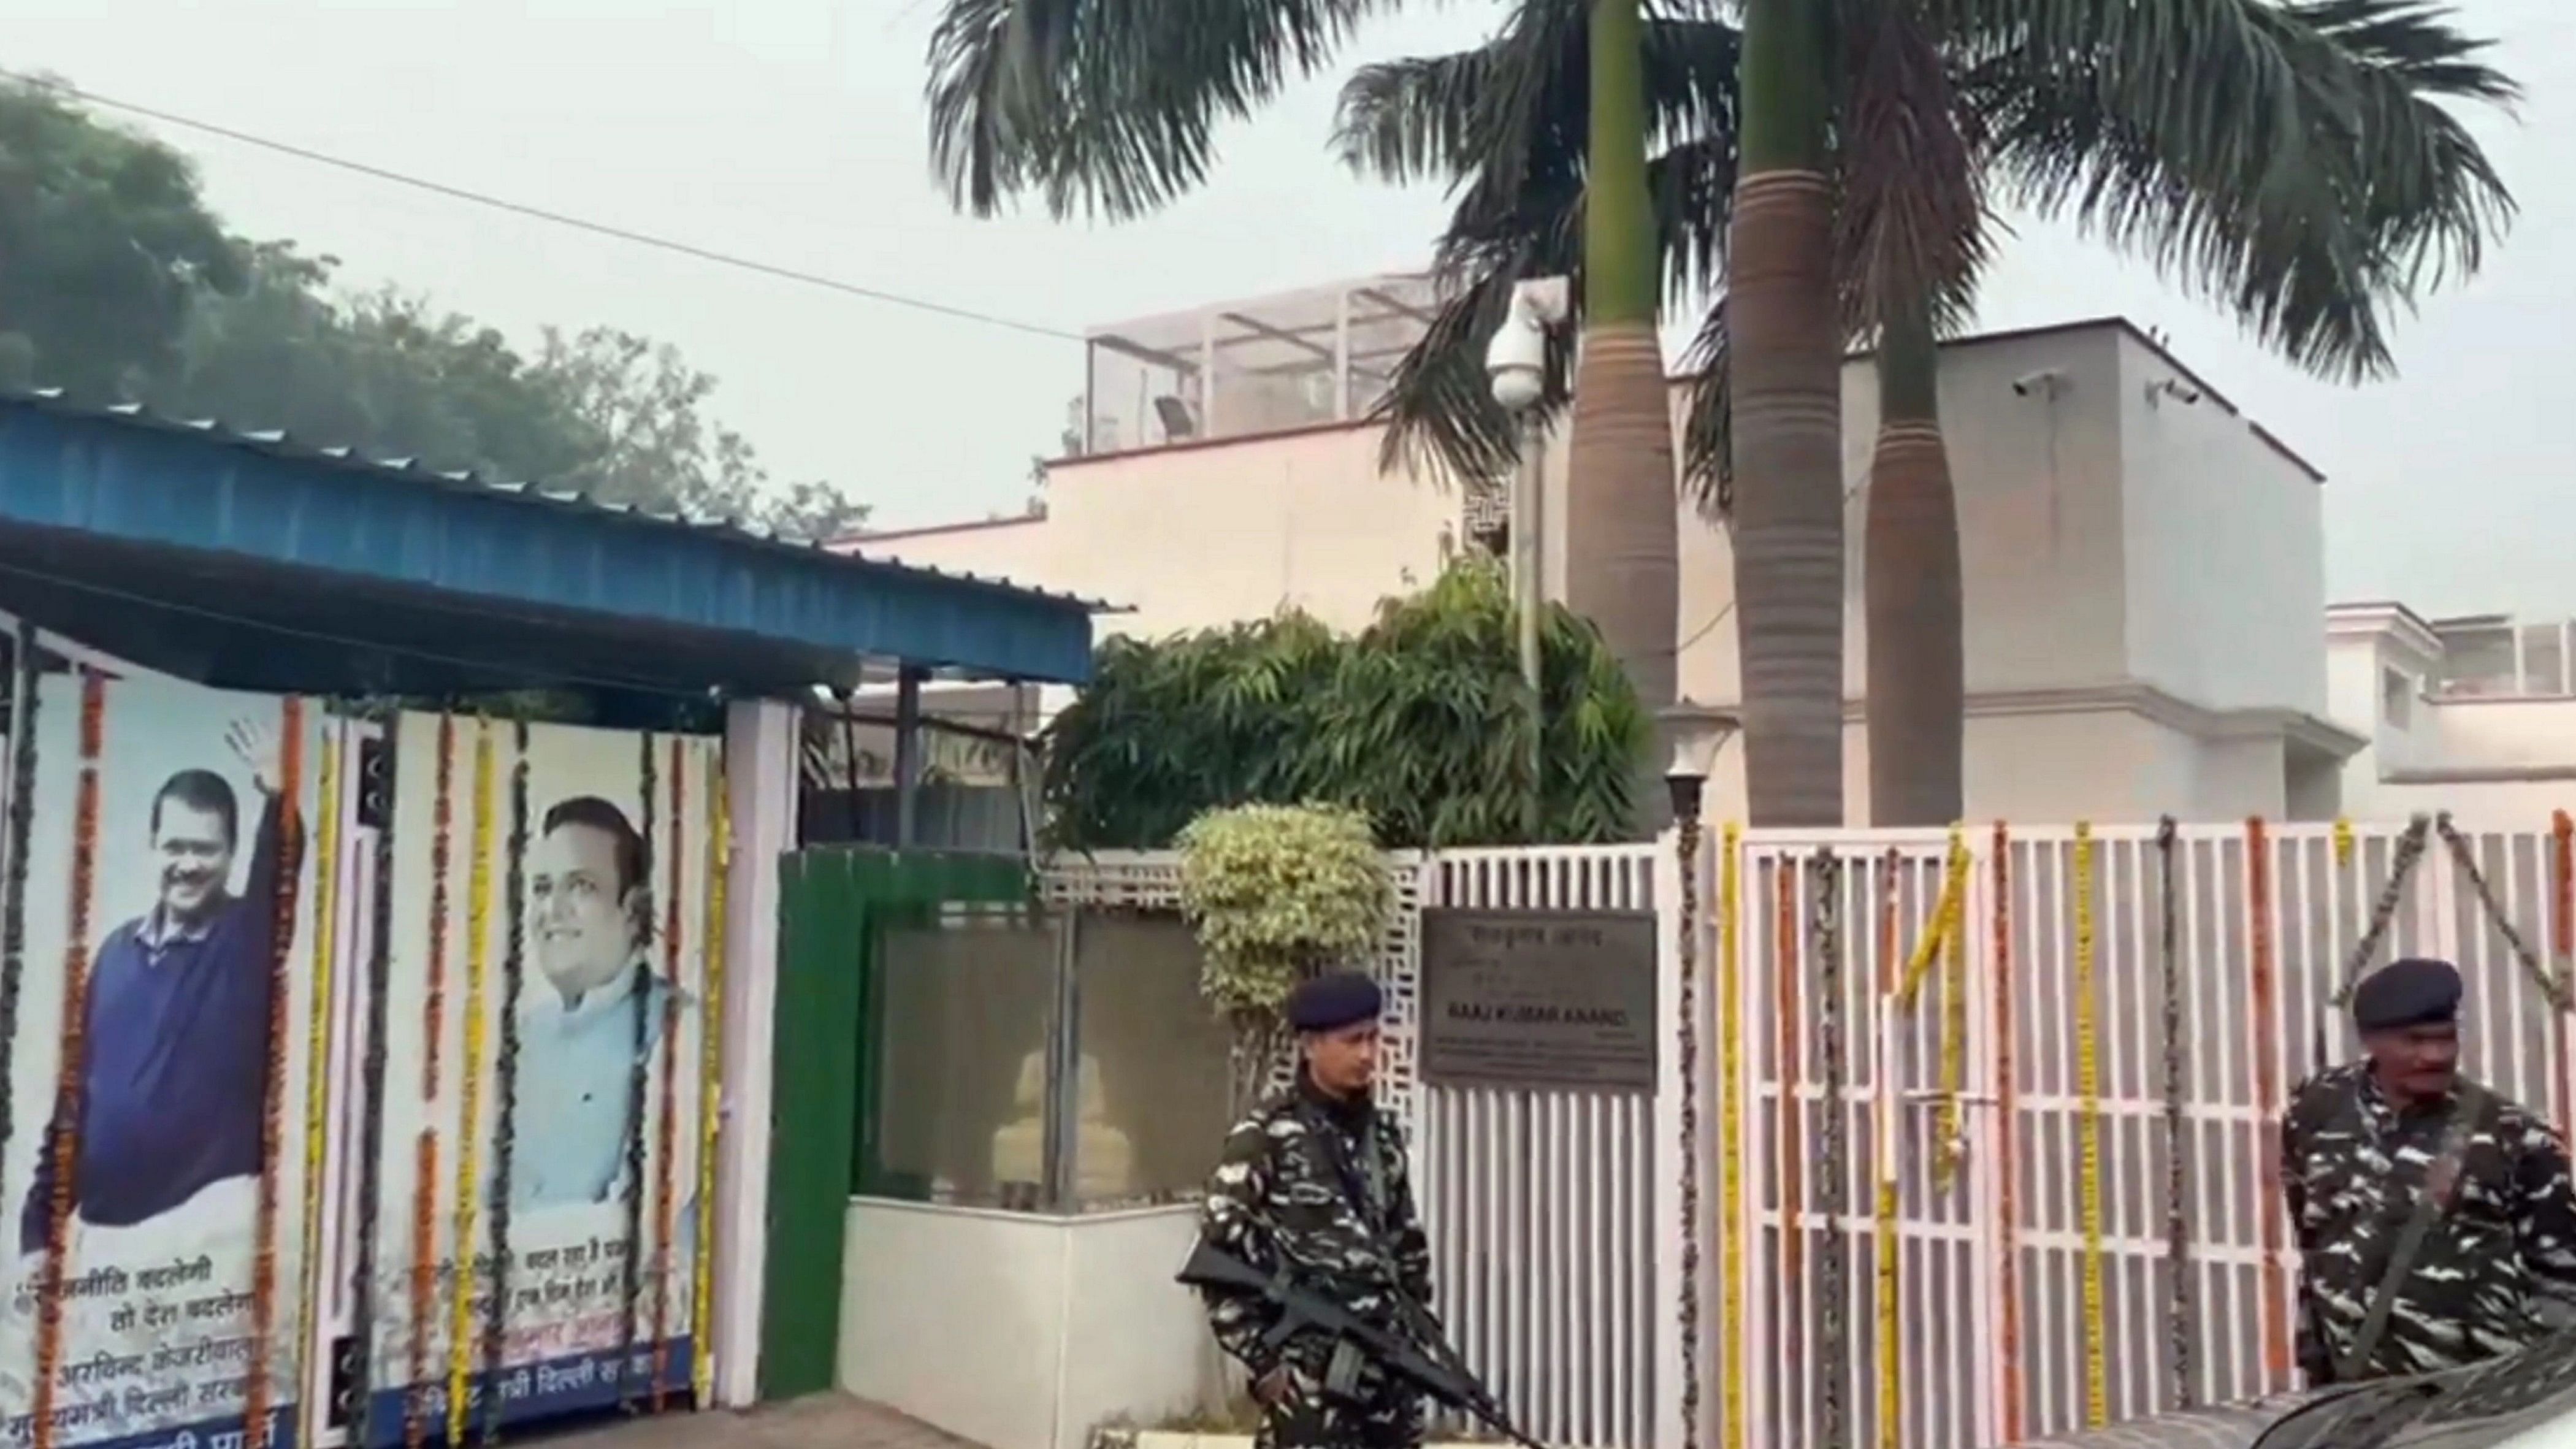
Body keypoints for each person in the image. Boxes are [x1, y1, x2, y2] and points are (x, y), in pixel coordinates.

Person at [21, 717, 297, 1255]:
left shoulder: (245, 942)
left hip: (199, 1240)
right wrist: (36, 1236)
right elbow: (74, 1100)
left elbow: (279, 872)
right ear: (153, 846)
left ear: (232, 854)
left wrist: (277, 792)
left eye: (206, 849)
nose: (188, 864)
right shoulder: (115, 954)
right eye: (175, 846)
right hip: (102, 1240)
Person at [2281, 956, 2576, 1385]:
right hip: (2351, 1392)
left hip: (2472, 1398)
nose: (2435, 1055)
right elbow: (2313, 1235)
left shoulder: (2513, 1136)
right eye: (2415, 1040)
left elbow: (2562, 1282)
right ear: (2370, 1041)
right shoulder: (2317, 1110)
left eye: (2445, 1038)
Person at [1194, 971, 1432, 1449]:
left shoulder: (1380, 1139)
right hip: (1310, 1387)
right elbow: (1215, 1262)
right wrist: (1265, 1364)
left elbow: (1407, 1254)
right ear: (1309, 1044)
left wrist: (1417, 1349)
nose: (1367, 1054)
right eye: (1352, 1041)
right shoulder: (1265, 1137)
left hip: (1385, 1382)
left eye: (1372, 1038)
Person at [513, 795, 679, 1212]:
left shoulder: (675, 1028)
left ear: (633, 910)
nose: (554, 910)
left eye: (581, 886)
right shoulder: (526, 1034)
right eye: (543, 888)